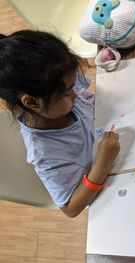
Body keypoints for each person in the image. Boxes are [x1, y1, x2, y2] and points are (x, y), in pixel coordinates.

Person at [0, 30, 120, 218]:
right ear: (32, 102)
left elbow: (81, 95)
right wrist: (103, 163)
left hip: (110, 128)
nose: (75, 94)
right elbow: (70, 208)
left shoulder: (57, 84)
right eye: (67, 93)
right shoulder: (46, 155)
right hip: (109, 174)